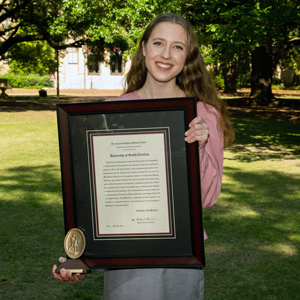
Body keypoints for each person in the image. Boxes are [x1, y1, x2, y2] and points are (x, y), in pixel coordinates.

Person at [52, 12, 234, 299]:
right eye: (159, 43)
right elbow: (93, 192)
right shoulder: (110, 112)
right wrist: (81, 255)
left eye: (178, 47)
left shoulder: (204, 115)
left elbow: (208, 197)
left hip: (181, 252)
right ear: (144, 47)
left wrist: (198, 148)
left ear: (188, 57)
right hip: (126, 253)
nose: (166, 54)